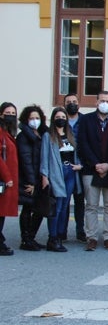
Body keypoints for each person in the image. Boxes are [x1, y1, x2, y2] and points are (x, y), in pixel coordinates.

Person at [78, 90, 108, 251]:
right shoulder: (86, 120)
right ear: (96, 102)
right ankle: (91, 237)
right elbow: (82, 144)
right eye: (102, 100)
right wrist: (96, 164)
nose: (105, 103)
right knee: (91, 205)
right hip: (91, 169)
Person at [40, 107, 82, 252]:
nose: (61, 119)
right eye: (58, 117)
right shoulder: (48, 136)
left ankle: (59, 236)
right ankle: (52, 238)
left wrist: (79, 166)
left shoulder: (70, 135)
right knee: (55, 208)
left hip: (70, 172)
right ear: (53, 119)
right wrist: (44, 176)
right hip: (56, 174)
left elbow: (77, 154)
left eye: (63, 117)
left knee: (64, 207)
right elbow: (44, 157)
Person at [16, 105, 48, 252]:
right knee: (28, 208)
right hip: (30, 179)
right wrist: (31, 182)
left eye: (37, 118)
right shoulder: (23, 137)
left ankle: (31, 237)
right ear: (25, 120)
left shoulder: (41, 134)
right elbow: (26, 160)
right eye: (31, 118)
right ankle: (26, 239)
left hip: (40, 178)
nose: (35, 121)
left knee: (40, 208)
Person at [63, 93, 86, 242]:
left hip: (81, 164)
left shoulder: (85, 121)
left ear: (78, 104)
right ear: (64, 104)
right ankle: (62, 230)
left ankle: (80, 230)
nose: (72, 104)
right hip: (64, 164)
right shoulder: (61, 120)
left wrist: (83, 165)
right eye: (69, 102)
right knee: (64, 201)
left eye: (74, 101)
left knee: (79, 201)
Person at [0, 102, 19, 256]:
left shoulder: (8, 133)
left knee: (2, 212)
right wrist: (7, 177)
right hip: (3, 180)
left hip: (8, 180)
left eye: (13, 113)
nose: (11, 115)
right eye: (8, 112)